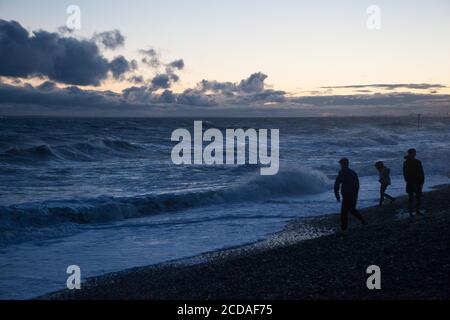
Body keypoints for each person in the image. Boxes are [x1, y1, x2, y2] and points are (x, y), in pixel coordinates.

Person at [334, 158, 366, 231]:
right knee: (352, 210)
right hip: (353, 194)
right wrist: (355, 194)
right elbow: (357, 185)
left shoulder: (342, 172)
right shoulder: (353, 172)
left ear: (343, 164)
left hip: (347, 195)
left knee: (344, 213)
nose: (340, 165)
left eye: (341, 164)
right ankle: (362, 221)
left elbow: (337, 184)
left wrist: (337, 195)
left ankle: (344, 228)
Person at [403, 148, 425, 217]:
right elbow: (405, 173)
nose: (413, 154)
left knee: (416, 197)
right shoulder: (407, 162)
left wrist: (422, 181)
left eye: (413, 153)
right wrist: (408, 181)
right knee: (412, 198)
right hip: (412, 182)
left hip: (416, 182)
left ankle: (415, 211)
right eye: (412, 153)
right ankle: (412, 212)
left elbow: (421, 172)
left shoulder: (416, 162)